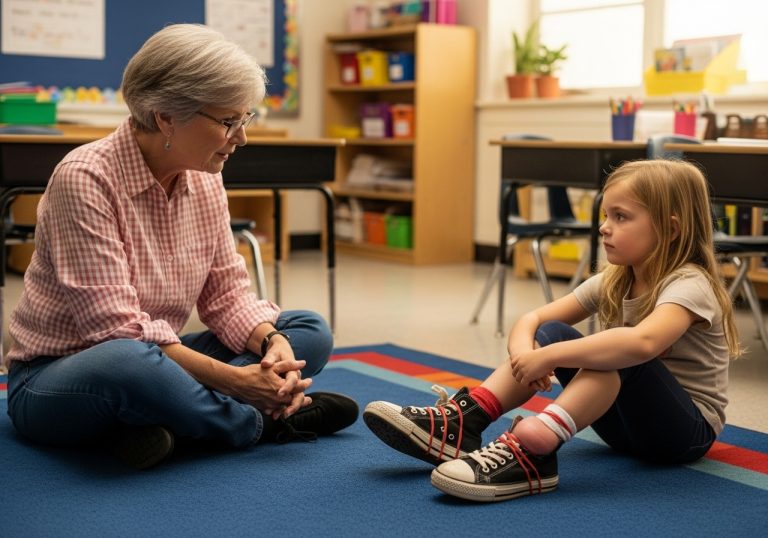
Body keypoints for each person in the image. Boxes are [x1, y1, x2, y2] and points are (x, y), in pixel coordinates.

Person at [4, 24, 358, 470]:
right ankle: (259, 424)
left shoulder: (206, 176)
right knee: (127, 363)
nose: (241, 138)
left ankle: (164, 424)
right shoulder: (85, 178)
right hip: (60, 376)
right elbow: (117, 332)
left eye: (245, 119)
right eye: (229, 122)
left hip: (155, 357)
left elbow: (227, 297)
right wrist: (237, 381)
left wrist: (271, 341)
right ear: (165, 116)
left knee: (307, 330)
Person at [364, 159, 740, 502]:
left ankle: (536, 448)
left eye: (621, 217)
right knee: (561, 333)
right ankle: (466, 421)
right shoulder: (615, 279)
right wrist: (528, 355)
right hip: (622, 428)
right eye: (606, 215)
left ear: (671, 229)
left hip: (683, 435)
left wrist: (549, 356)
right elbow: (533, 321)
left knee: (619, 351)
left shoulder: (690, 284)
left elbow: (645, 342)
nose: (604, 227)